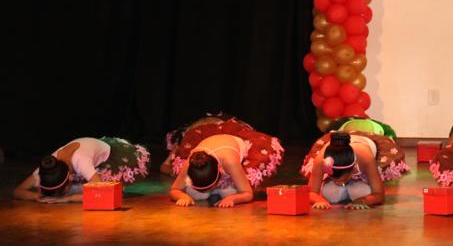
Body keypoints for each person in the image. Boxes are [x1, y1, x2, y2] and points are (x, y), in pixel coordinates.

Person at [169, 118, 282, 207]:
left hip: (232, 146)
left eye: (211, 186)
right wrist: (182, 196)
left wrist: (233, 199)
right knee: (198, 195)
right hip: (215, 145)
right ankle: (212, 190)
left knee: (229, 193)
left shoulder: (230, 162)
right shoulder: (193, 162)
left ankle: (222, 190)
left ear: (220, 170)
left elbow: (247, 193)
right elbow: (174, 189)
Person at [14, 137, 149, 203]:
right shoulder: (49, 168)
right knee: (85, 185)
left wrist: (68, 198)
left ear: (69, 179)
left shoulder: (81, 162)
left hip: (115, 156)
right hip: (90, 152)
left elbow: (106, 194)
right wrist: (36, 196)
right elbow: (18, 191)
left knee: (106, 188)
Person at [161, 112, 247, 175]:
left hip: (224, 128)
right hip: (196, 131)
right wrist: (182, 174)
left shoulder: (227, 141)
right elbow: (164, 166)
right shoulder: (186, 140)